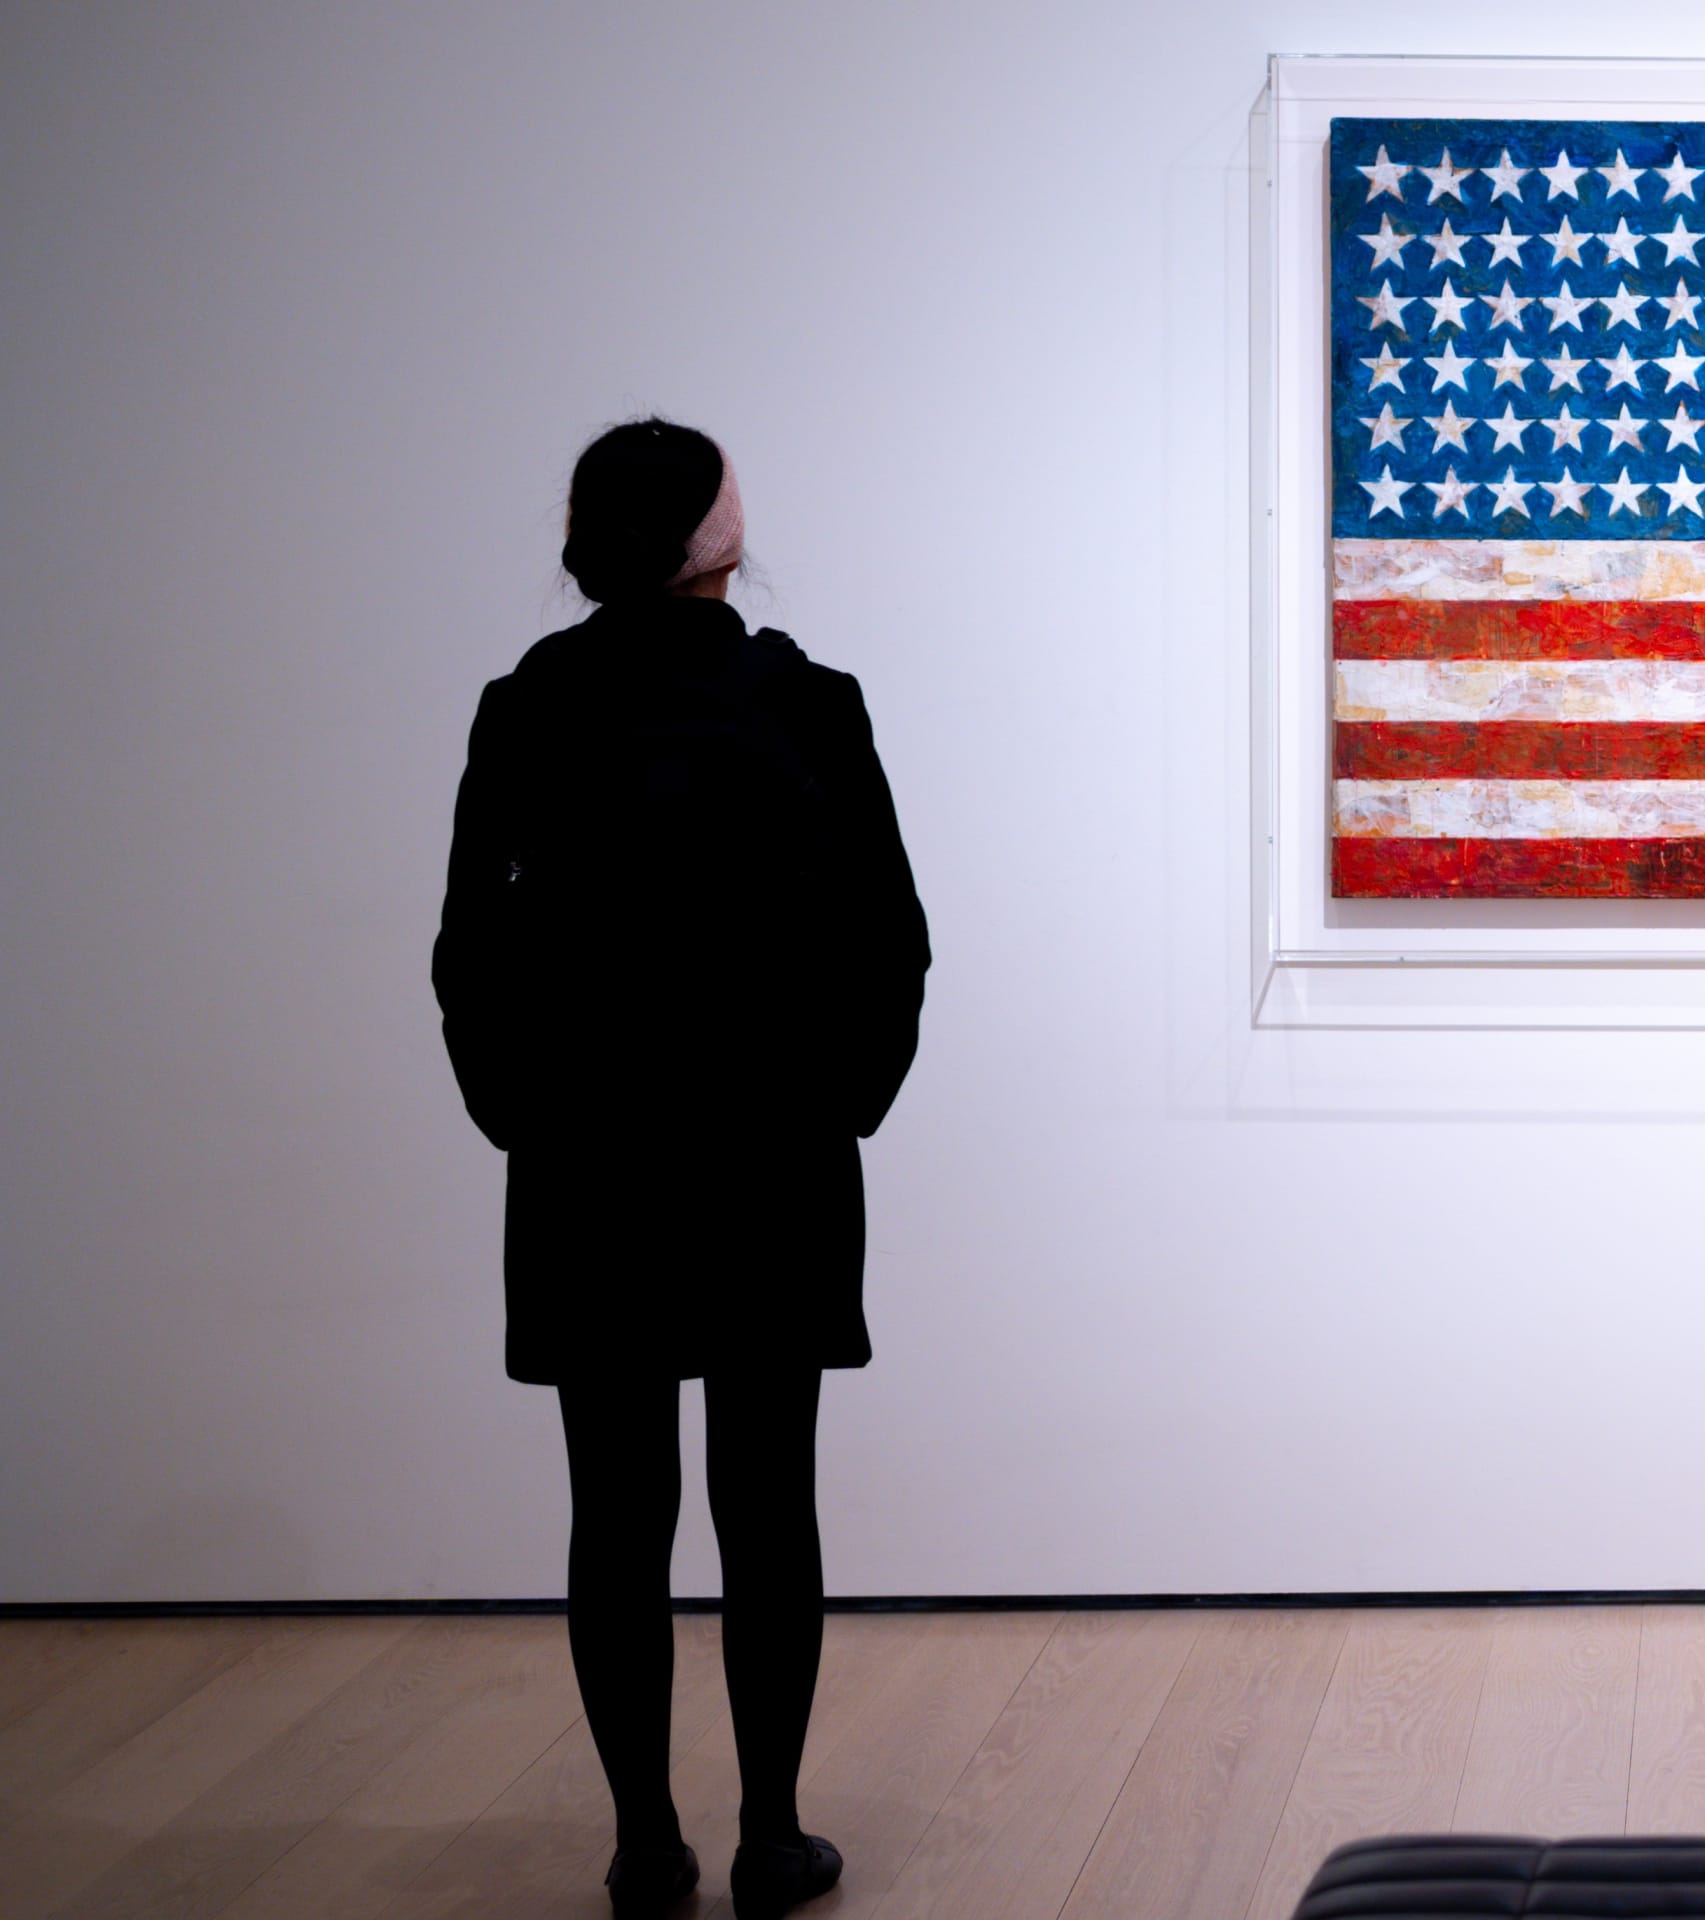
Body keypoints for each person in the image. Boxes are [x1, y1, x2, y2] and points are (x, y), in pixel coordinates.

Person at [433, 419, 929, 1920]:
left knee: (617, 1505)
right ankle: (773, 1833)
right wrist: (841, 1103)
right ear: (715, 538)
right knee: (768, 1499)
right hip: (772, 1152)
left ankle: (647, 1843)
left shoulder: (526, 709)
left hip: (592, 1160)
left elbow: (470, 951)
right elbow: (889, 941)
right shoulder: (810, 705)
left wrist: (524, 1116)